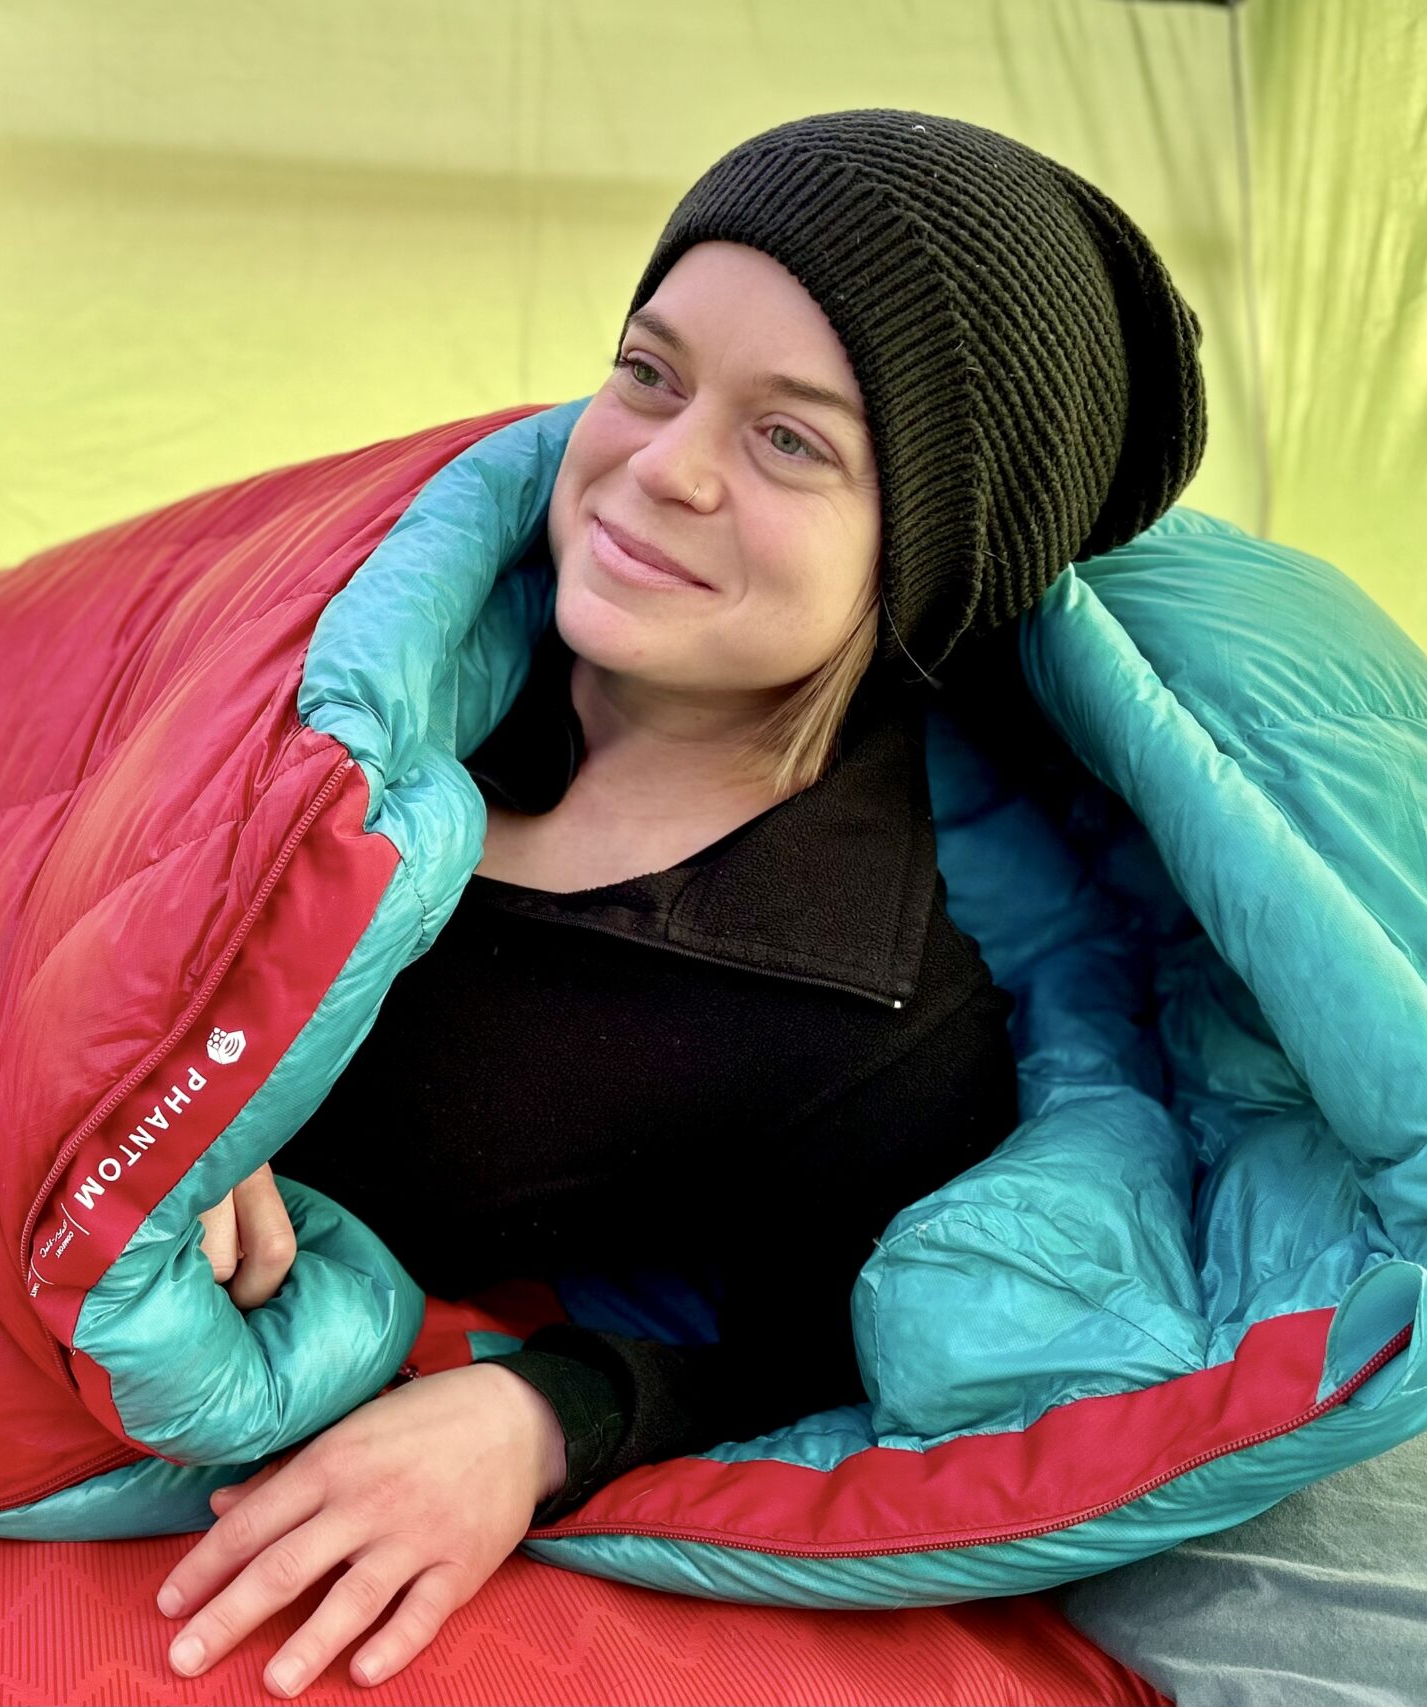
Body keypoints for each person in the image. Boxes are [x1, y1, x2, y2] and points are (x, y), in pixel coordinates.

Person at [155, 108, 1208, 1698]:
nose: (664, 464)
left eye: (793, 439)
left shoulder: (861, 1013)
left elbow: (814, 1350)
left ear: (923, 553)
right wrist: (154, 1059)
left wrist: (542, 1417)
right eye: (649, 372)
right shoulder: (396, 638)